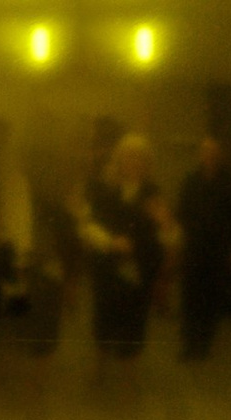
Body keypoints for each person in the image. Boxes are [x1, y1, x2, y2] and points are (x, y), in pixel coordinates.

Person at [79, 131, 166, 361]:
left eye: (140, 157)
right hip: (106, 268)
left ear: (147, 163)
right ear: (119, 159)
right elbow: (87, 225)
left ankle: (129, 378)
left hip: (139, 271)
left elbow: (165, 236)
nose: (134, 162)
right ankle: (100, 365)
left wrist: (165, 223)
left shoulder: (152, 192)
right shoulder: (101, 187)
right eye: (129, 156)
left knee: (134, 324)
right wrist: (110, 242)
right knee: (103, 318)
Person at [175, 134, 231, 361]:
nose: (209, 155)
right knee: (190, 298)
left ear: (220, 155)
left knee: (211, 299)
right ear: (200, 154)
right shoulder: (190, 180)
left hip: (219, 250)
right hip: (194, 249)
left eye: (213, 151)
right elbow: (181, 213)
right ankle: (189, 345)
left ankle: (204, 344)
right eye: (205, 151)